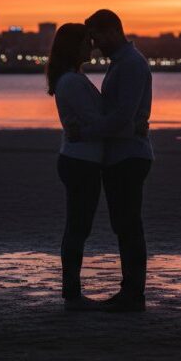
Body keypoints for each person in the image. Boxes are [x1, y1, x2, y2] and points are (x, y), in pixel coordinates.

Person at [72, 9, 153, 313]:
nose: (94, 45)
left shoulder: (130, 65)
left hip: (129, 155)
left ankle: (133, 293)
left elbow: (122, 116)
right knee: (125, 225)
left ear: (112, 32)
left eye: (96, 37)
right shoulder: (123, 64)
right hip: (124, 152)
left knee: (129, 225)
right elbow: (122, 116)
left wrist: (86, 132)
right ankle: (131, 290)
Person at [46, 23, 106, 311]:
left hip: (78, 158)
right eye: (86, 41)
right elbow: (93, 121)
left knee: (77, 226)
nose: (91, 46)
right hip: (80, 161)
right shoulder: (72, 81)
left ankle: (71, 289)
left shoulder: (73, 79)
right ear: (74, 47)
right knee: (77, 228)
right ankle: (71, 291)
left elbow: (88, 122)